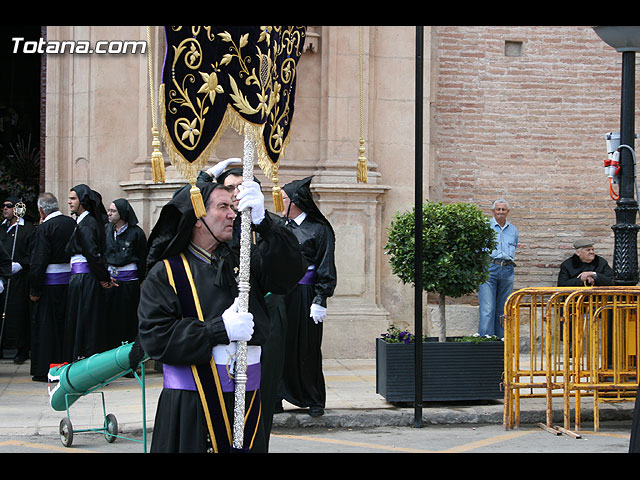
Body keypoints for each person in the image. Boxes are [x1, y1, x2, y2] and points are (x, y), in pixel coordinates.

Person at [138, 180, 306, 453]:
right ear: (197, 218)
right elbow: (155, 339)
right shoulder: (166, 273)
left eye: (233, 206)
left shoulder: (244, 262)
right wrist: (219, 330)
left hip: (245, 401)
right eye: (223, 207)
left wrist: (266, 225)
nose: (232, 214)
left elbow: (289, 273)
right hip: (192, 405)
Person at [278, 176, 337, 418]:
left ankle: (313, 398)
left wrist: (320, 298)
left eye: (282, 199)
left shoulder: (319, 229)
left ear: (295, 202)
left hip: (305, 294)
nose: (279, 203)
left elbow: (326, 265)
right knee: (279, 348)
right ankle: (276, 397)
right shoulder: (280, 227)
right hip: (282, 296)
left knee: (307, 347)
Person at [28, 193, 76, 381]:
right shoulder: (71, 223)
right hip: (69, 282)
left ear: (41, 210)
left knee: (47, 328)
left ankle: (46, 369)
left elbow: (38, 262)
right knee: (65, 326)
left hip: (49, 285)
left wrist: (34, 289)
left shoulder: (44, 228)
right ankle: (65, 364)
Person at [64, 184, 114, 361]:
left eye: (73, 198)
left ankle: (86, 359)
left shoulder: (87, 223)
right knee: (84, 319)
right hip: (83, 278)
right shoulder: (84, 222)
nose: (69, 202)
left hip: (85, 279)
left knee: (86, 320)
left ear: (83, 201)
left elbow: (91, 254)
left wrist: (104, 277)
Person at [104, 198, 147, 350]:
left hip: (129, 284)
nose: (109, 213)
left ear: (122, 213)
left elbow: (143, 259)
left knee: (128, 320)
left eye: (113, 211)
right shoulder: (107, 230)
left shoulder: (136, 233)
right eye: (109, 210)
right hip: (110, 283)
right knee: (110, 320)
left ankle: (129, 359)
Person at [0, 196, 36, 363]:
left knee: (19, 313)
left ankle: (21, 349)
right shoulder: (2, 229)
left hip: (20, 279)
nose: (5, 209)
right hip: (3, 278)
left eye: (9, 206)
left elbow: (33, 253)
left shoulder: (28, 229)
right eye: (4, 206)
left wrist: (21, 264)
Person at [477, 198, 518, 339]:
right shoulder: (485, 227)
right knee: (488, 308)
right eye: (498, 209)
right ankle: (485, 340)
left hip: (507, 269)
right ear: (493, 211)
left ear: (508, 212)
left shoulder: (513, 230)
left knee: (504, 307)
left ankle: (501, 341)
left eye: (503, 209)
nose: (501, 212)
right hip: (489, 267)